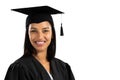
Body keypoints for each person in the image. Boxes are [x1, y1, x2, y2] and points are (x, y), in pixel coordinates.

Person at [4, 6, 75, 80]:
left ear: (52, 34)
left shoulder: (63, 67)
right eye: (34, 31)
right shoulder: (19, 68)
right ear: (28, 35)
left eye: (45, 30)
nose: (40, 37)